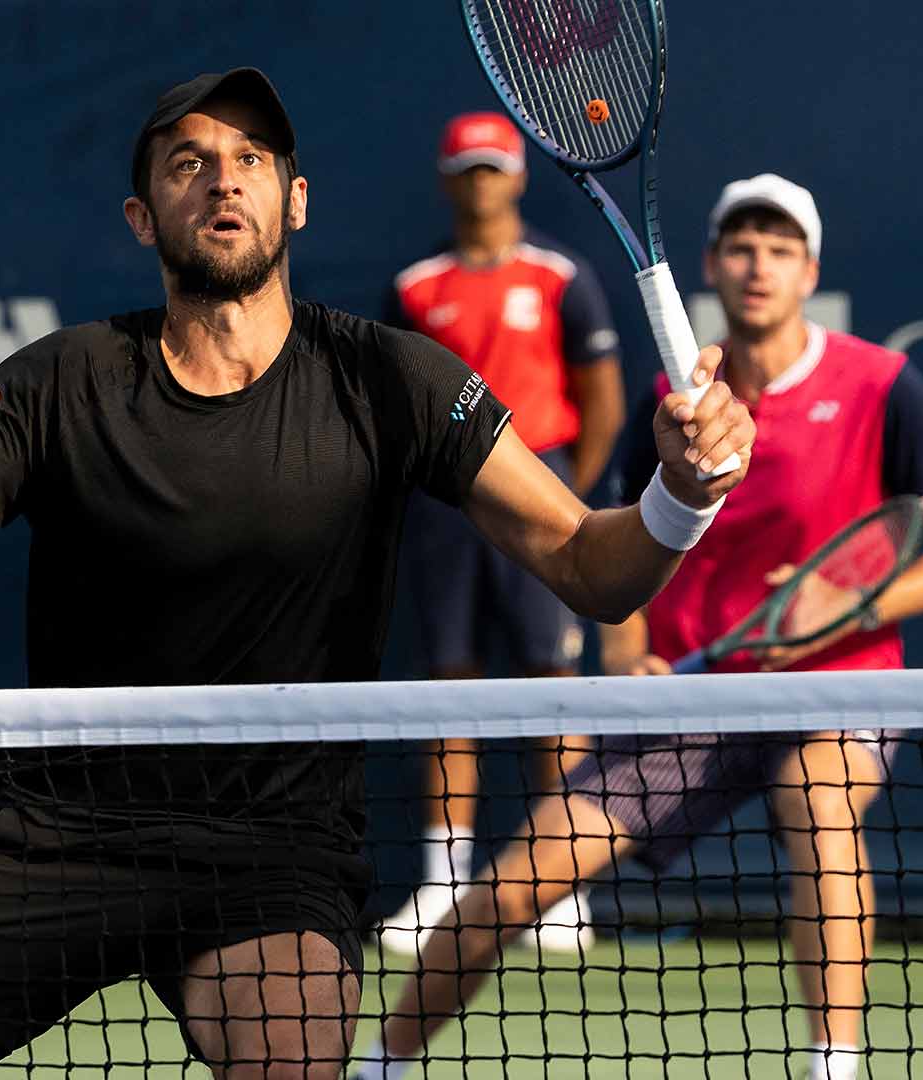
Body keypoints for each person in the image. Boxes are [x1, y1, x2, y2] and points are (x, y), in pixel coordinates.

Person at [0, 68, 754, 1080]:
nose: (222, 181)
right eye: (188, 162)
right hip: (59, 837)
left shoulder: (391, 378)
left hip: (274, 854)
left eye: (251, 159)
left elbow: (591, 568)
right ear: (142, 216)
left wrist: (681, 494)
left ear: (294, 199)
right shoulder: (62, 378)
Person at [354, 173, 923, 1080]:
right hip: (698, 696)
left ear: (809, 269)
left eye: (780, 250)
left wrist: (849, 605)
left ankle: (835, 1068)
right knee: (509, 889)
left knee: (818, 808)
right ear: (712, 262)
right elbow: (619, 558)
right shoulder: (674, 401)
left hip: (840, 686)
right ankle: (380, 1066)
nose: (758, 266)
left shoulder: (884, 385)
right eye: (742, 246)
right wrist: (631, 660)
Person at [378, 112, 626, 956]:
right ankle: (444, 884)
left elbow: (602, 403)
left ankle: (558, 890)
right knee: (449, 690)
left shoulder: (562, 276)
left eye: (496, 167)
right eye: (469, 169)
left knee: (554, 686)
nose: (483, 181)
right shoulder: (414, 288)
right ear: (450, 180)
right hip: (446, 512)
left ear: (518, 176)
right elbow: (396, 410)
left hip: (544, 493)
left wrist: (568, 504)